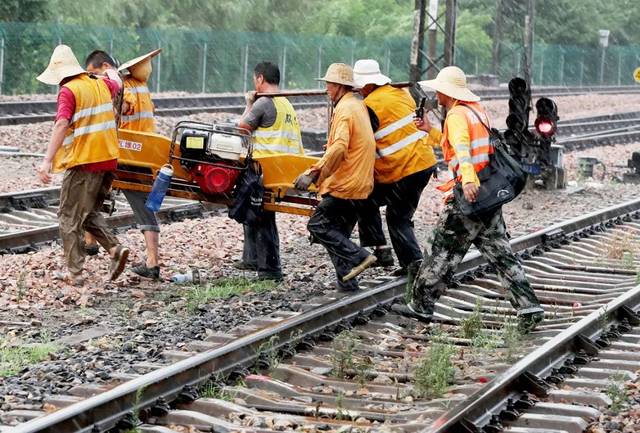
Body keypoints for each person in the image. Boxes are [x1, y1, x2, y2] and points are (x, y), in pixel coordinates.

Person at [392, 66, 544, 332]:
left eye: (438, 89)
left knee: (439, 250)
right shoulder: (475, 110)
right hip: (488, 196)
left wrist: (469, 179)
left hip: (469, 195)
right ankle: (529, 307)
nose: (436, 93)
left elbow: (462, 148)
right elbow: (458, 143)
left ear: (446, 92)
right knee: (500, 254)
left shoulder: (456, 115)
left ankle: (421, 305)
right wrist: (430, 130)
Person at [36, 44, 129, 286]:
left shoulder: (68, 90)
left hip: (84, 162)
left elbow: (61, 125)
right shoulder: (100, 83)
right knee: (88, 212)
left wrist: (47, 161)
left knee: (68, 215)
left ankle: (74, 272)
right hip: (108, 159)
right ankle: (115, 249)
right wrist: (110, 72)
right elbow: (116, 82)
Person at [294, 63, 377, 291]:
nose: (326, 89)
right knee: (338, 234)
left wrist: (313, 173)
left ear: (339, 86)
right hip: (361, 183)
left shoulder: (344, 110)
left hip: (346, 184)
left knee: (318, 226)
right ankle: (348, 284)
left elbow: (340, 148)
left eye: (329, 84)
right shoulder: (356, 105)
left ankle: (360, 257)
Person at [352, 59, 438, 278]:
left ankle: (410, 263)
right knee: (384, 205)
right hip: (423, 163)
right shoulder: (400, 93)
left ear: (367, 85)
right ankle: (389, 253)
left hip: (406, 168)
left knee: (395, 214)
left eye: (360, 86)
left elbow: (363, 143)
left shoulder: (369, 105)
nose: (360, 90)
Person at [83, 49, 163, 280]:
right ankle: (91, 241)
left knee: (92, 189)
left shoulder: (123, 87)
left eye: (93, 73)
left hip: (125, 154)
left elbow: (119, 111)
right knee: (140, 206)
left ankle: (149, 261)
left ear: (105, 67)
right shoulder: (142, 88)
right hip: (145, 153)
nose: (91, 78)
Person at [236, 62, 305, 281]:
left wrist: (249, 102)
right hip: (284, 169)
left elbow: (242, 128)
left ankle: (270, 270)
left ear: (260, 79)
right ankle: (252, 259)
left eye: (254, 79)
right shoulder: (286, 103)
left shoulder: (263, 103)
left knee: (262, 213)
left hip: (266, 170)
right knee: (254, 210)